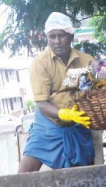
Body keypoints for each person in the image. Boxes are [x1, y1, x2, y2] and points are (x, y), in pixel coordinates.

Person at [18, 12, 94, 173]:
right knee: (23, 175)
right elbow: (41, 103)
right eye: (52, 37)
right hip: (47, 126)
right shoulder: (40, 63)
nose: (57, 41)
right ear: (47, 38)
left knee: (86, 176)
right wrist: (64, 114)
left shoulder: (86, 60)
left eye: (61, 36)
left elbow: (99, 88)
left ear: (71, 36)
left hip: (77, 126)